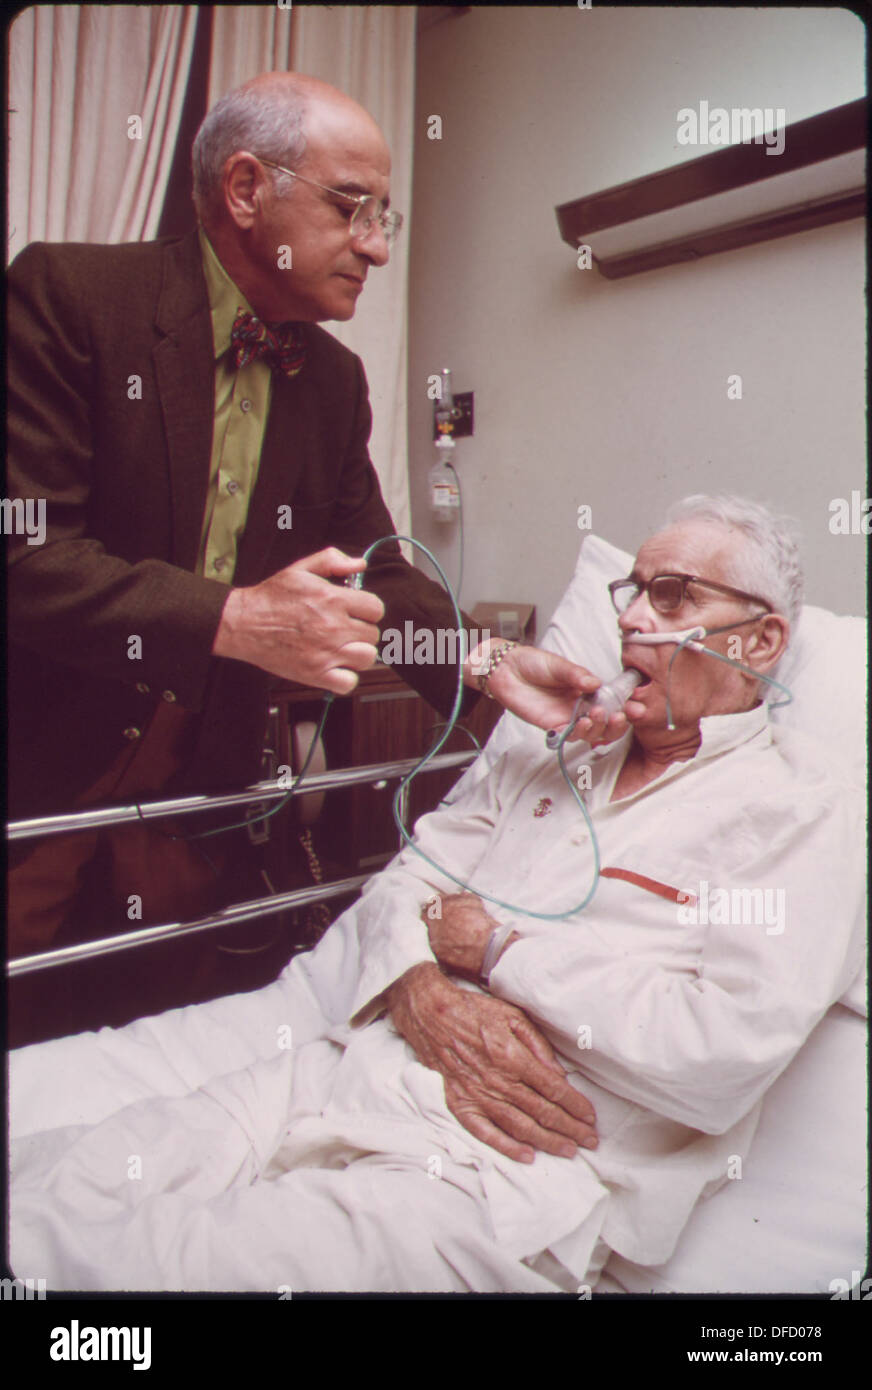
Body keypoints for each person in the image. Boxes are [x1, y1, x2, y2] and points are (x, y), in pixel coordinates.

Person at [11, 496, 863, 1292]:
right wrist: (419, 987)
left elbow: (721, 1052)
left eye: (672, 598)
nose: (633, 618)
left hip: (498, 1173)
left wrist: (500, 953)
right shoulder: (553, 753)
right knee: (66, 1180)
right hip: (349, 1064)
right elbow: (409, 886)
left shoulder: (802, 808)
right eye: (632, 593)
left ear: (760, 641)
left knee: (158, 1265)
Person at [5, 72, 627, 1008]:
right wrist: (237, 618)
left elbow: (375, 564)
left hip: (194, 789)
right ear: (247, 189)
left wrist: (481, 659)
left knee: (151, 1022)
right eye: (352, 208)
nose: (375, 247)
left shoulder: (332, 380)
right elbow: (27, 557)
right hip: (46, 755)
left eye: (387, 218)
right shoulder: (69, 298)